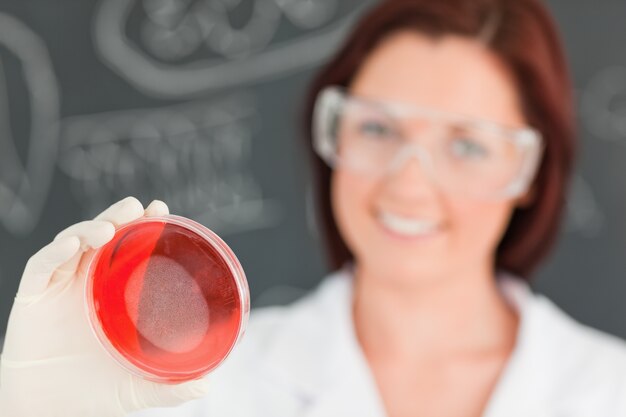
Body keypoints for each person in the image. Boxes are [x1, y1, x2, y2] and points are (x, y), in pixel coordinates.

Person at [2, 0, 626, 416]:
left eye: (466, 144)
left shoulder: (609, 390)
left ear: (529, 175)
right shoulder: (204, 390)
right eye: (378, 130)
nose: (408, 185)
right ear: (332, 137)